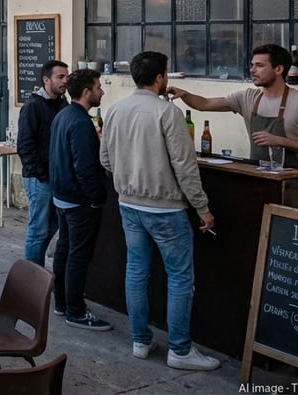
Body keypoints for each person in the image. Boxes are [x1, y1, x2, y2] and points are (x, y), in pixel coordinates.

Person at [101, 51, 220, 371]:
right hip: (165, 208)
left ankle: (140, 340)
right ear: (159, 78)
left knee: (136, 272)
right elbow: (186, 167)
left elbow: (106, 159)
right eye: (165, 74)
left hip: (128, 204)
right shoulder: (168, 114)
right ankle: (179, 349)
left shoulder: (114, 110)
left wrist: (127, 181)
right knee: (180, 277)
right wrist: (203, 208)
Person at [166, 43, 298, 173]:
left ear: (278, 69)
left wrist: (280, 141)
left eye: (259, 65)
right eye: (252, 65)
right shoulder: (247, 98)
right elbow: (204, 104)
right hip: (256, 174)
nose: (252, 70)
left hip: (292, 180)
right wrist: (184, 94)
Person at [49, 68, 109, 330]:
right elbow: (84, 167)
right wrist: (96, 197)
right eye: (98, 87)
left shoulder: (63, 115)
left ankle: (61, 302)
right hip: (78, 200)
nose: (101, 91)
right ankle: (76, 310)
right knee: (77, 256)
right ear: (86, 92)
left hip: (62, 196)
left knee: (64, 250)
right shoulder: (81, 122)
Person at [17, 60, 69, 266]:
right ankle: (32, 280)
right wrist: (41, 173)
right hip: (40, 179)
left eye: (67, 76)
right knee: (38, 229)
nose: (65, 80)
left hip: (56, 177)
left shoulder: (62, 102)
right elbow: (25, 145)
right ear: (46, 80)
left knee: (53, 224)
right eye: (60, 77)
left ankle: (37, 267)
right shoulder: (33, 106)